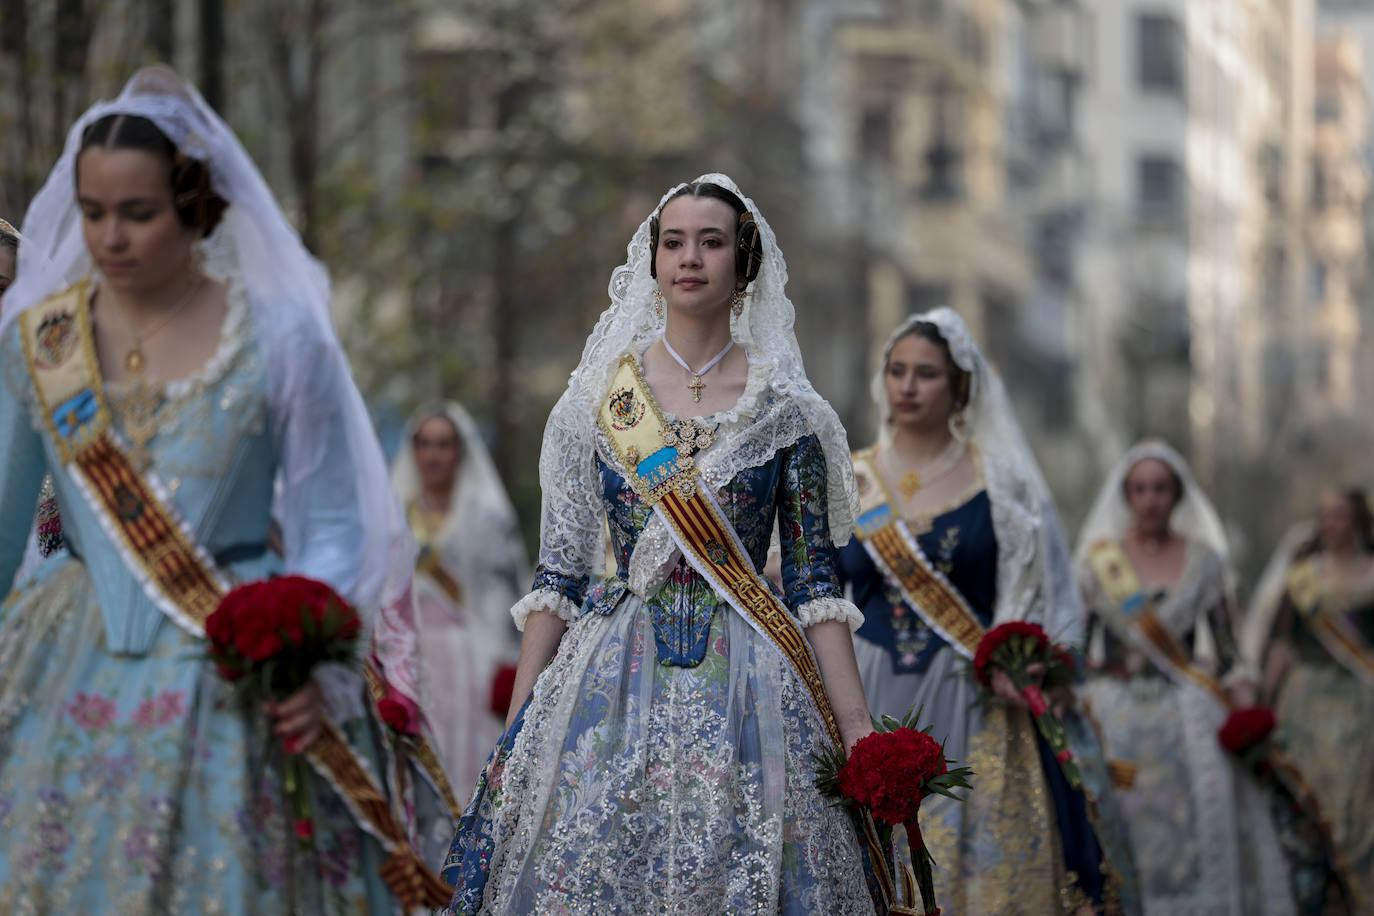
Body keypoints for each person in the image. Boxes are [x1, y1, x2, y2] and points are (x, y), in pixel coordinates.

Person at [0, 66, 449, 913]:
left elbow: (332, 526)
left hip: (227, 672)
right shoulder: (39, 341)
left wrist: (315, 663)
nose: (110, 238)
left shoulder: (280, 340)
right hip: (61, 663)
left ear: (194, 205)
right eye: (93, 213)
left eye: (139, 214)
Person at [440, 174, 883, 914]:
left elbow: (815, 586)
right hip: (610, 674)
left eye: (711, 242)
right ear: (651, 261)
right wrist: (517, 732)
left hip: (754, 682)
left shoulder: (789, 411)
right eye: (673, 242)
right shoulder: (599, 400)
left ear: (744, 264)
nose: (690, 257)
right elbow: (560, 576)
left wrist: (860, 730)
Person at [836, 309, 1140, 915]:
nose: (908, 386)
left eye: (926, 374)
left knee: (967, 863)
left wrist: (1019, 663)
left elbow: (1033, 590)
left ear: (959, 388)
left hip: (972, 699)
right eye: (897, 371)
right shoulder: (849, 479)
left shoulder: (1000, 484)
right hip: (866, 693)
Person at [1074, 441, 1295, 914]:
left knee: (1197, 826)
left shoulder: (1204, 562)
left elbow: (1231, 652)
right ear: (1125, 496)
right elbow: (1076, 649)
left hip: (1188, 714)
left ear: (1177, 495)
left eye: (1160, 489)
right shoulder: (1098, 564)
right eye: (1139, 489)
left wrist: (1247, 716)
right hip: (1113, 721)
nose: (1150, 499)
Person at [1244, 488, 1374, 911]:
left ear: (1357, 519)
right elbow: (1281, 643)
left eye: (1338, 515)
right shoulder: (1302, 576)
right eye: (1323, 515)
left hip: (1360, 705)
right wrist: (1262, 702)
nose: (1329, 524)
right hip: (1305, 704)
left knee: (1358, 805)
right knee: (1303, 800)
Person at [390, 401, 526, 792]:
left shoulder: (485, 516)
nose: (433, 456)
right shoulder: (395, 512)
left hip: (469, 659)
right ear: (414, 449)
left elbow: (504, 593)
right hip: (406, 657)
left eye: (444, 444)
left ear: (459, 451)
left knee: (463, 768)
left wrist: (504, 662)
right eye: (425, 444)